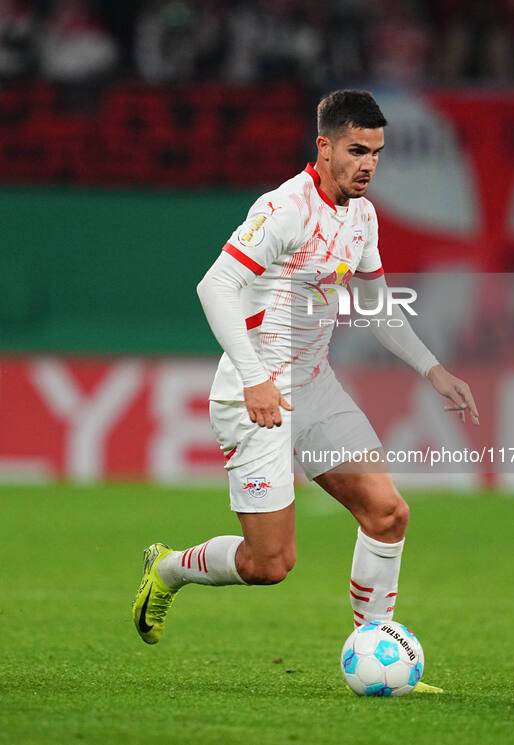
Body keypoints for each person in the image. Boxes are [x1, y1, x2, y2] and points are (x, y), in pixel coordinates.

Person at [132, 89, 479, 693]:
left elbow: (376, 305)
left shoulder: (363, 216)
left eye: (376, 152)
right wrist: (255, 378)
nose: (368, 163)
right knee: (269, 565)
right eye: (356, 150)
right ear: (324, 147)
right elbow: (215, 287)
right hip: (254, 395)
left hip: (314, 387)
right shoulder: (285, 208)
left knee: (388, 513)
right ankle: (166, 569)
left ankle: (378, 655)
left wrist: (432, 370)